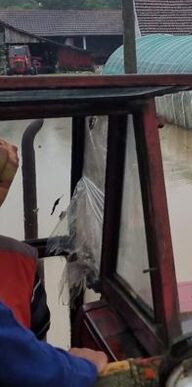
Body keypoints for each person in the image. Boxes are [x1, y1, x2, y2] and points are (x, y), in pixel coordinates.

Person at [0, 138, 108, 386]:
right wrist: (80, 369)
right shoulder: (19, 262)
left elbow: (30, 352)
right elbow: (22, 363)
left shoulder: (21, 262)